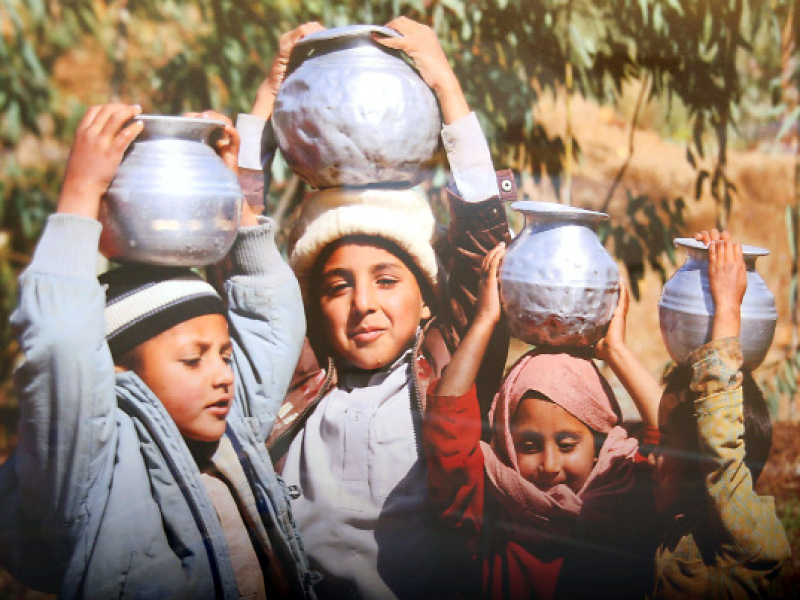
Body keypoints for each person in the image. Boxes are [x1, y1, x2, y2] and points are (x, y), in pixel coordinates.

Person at [235, 17, 514, 599]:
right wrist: (269, 98)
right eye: (337, 287)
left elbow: (484, 242)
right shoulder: (301, 373)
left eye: (387, 281)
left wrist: (444, 85)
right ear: (313, 303)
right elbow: (243, 257)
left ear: (425, 295)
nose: (364, 304)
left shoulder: (441, 374)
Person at [0, 104, 317, 599]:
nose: (222, 376)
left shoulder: (232, 432)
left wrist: (231, 199)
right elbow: (62, 348)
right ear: (118, 371)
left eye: (225, 356)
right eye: (193, 359)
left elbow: (274, 319)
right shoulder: (90, 476)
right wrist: (81, 195)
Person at [424, 244, 664, 599]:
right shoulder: (491, 510)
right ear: (506, 442)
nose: (550, 466)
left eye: (567, 445)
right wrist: (485, 320)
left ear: (599, 443)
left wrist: (617, 352)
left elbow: (677, 444)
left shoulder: (628, 494)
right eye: (529, 446)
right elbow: (448, 431)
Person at [651, 230, 791, 599]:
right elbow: (682, 419)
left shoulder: (746, 542)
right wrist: (615, 351)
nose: (650, 458)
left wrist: (728, 305)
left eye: (663, 444)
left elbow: (719, 444)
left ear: (703, 461)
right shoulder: (684, 527)